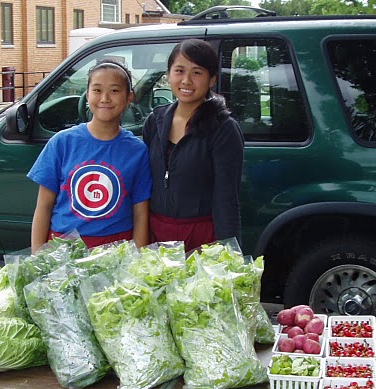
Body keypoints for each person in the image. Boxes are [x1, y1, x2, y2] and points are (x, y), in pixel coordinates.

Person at [29, 58, 152, 250]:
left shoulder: (138, 151)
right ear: (87, 95)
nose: (105, 98)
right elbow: (44, 207)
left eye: (114, 91)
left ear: (129, 97)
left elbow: (141, 213)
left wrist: (138, 258)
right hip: (64, 249)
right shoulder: (62, 142)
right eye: (97, 90)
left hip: (117, 251)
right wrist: (38, 255)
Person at [143, 39, 245, 251]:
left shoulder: (223, 129)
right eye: (179, 71)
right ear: (168, 74)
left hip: (202, 239)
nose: (186, 80)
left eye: (197, 72)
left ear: (212, 79)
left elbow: (226, 199)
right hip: (156, 236)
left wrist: (229, 253)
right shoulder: (155, 121)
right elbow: (142, 186)